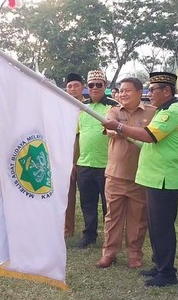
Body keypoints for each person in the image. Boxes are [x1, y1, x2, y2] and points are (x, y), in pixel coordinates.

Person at [103, 71, 178, 287]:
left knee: (163, 228)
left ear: (166, 91)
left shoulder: (172, 112)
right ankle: (159, 265)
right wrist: (127, 135)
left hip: (164, 179)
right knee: (155, 226)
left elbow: (149, 136)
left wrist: (120, 127)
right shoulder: (162, 111)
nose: (150, 94)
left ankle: (167, 273)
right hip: (154, 179)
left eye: (153, 90)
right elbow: (148, 143)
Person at [96, 77, 155, 269]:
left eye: (127, 90)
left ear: (140, 92)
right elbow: (109, 128)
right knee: (112, 217)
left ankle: (134, 255)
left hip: (140, 175)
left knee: (138, 218)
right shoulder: (113, 111)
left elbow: (151, 136)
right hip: (115, 175)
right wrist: (134, 132)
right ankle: (109, 253)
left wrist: (122, 130)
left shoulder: (152, 112)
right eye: (121, 91)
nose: (123, 94)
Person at [75, 69, 118, 248]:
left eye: (98, 85)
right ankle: (89, 234)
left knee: (109, 205)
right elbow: (77, 136)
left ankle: (111, 237)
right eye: (91, 85)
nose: (94, 88)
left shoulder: (114, 107)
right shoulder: (82, 108)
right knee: (87, 202)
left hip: (107, 164)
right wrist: (73, 162)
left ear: (105, 86)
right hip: (84, 163)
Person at [64, 72, 85, 238]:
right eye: (69, 86)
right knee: (67, 194)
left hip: (86, 155)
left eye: (76, 85)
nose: (73, 89)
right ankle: (67, 228)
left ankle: (89, 231)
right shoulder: (62, 108)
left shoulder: (89, 107)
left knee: (88, 197)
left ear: (82, 87)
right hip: (67, 154)